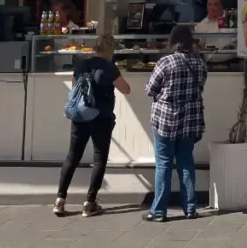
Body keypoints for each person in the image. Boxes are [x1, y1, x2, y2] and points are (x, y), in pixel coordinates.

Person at [54, 34, 131, 217]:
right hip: (101, 118)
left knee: (72, 156)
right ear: (111, 49)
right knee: (99, 158)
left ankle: (60, 199)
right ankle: (89, 203)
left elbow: (74, 88)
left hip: (80, 116)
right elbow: (126, 89)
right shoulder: (109, 67)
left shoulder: (81, 63)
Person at [144, 25, 209, 222]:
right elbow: (201, 86)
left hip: (166, 120)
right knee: (186, 162)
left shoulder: (165, 62)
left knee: (164, 163)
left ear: (172, 41)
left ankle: (159, 211)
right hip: (190, 120)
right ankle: (190, 207)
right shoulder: (200, 62)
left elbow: (150, 89)